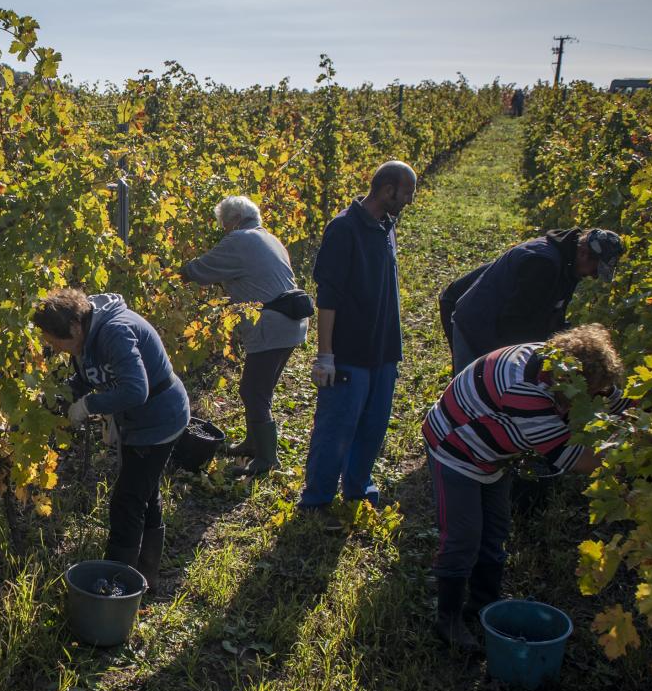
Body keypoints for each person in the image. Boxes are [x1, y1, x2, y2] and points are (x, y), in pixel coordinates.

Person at [421, 324, 630, 651]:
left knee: (495, 531)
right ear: (571, 383)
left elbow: (618, 401)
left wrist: (636, 418)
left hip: (495, 454)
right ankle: (447, 619)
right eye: (593, 393)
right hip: (456, 448)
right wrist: (628, 448)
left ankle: (484, 603)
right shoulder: (526, 392)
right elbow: (575, 460)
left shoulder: (570, 368)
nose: (597, 398)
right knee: (463, 537)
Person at [33, 288, 190, 592]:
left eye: (57, 342)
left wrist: (90, 406)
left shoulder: (114, 332)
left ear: (75, 326)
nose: (58, 349)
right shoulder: (86, 336)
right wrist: (54, 400)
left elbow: (136, 390)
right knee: (143, 490)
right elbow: (85, 377)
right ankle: (147, 576)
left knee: (126, 502)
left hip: (159, 420)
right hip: (138, 422)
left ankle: (117, 586)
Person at [299, 161, 416, 512]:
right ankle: (317, 500)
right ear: (387, 190)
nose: (410, 200)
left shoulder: (386, 226)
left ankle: (358, 490)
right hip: (349, 352)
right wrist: (325, 356)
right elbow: (329, 297)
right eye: (407, 192)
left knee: (373, 427)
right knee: (335, 429)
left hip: (383, 351)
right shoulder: (343, 229)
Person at [180, 195, 309, 475]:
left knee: (252, 390)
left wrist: (170, 277)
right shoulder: (269, 238)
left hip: (271, 326)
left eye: (224, 224)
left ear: (236, 220)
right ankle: (253, 443)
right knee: (260, 390)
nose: (224, 230)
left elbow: (200, 270)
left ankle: (266, 459)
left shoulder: (239, 240)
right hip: (292, 322)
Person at [446, 228, 623, 372]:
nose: (594, 276)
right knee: (472, 398)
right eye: (596, 269)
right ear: (584, 253)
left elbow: (552, 312)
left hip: (497, 327)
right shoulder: (543, 265)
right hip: (478, 327)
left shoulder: (569, 265)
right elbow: (515, 323)